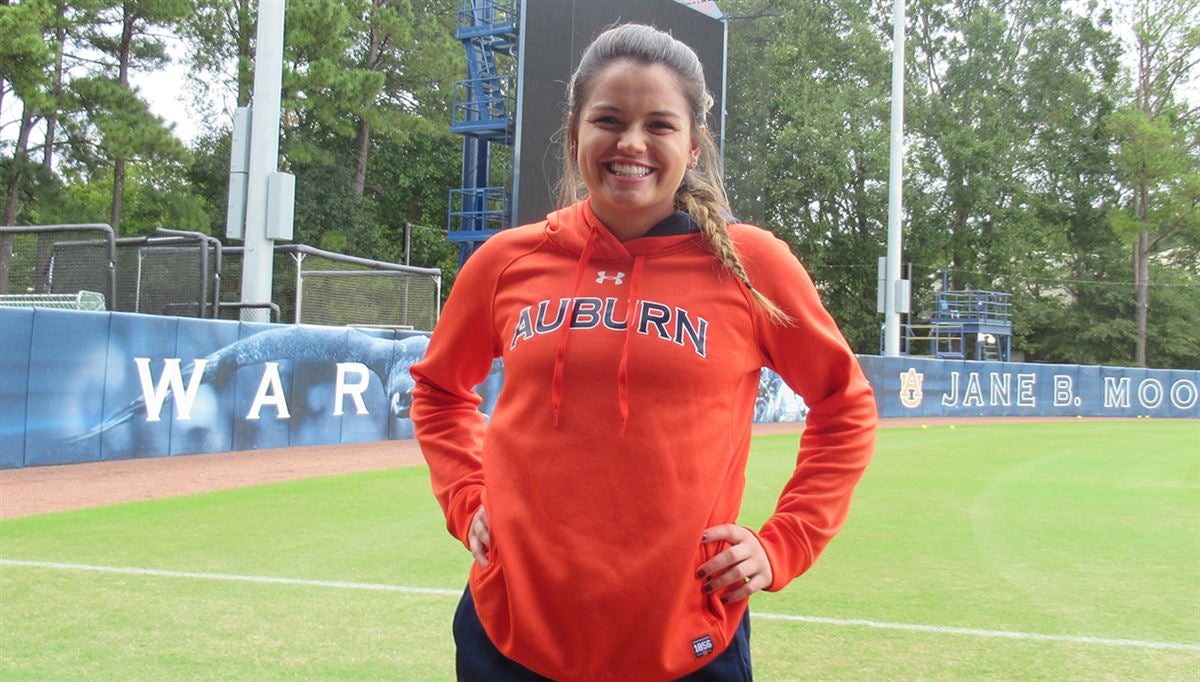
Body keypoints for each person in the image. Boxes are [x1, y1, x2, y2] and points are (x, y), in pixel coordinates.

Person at [410, 24, 876, 681]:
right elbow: (438, 391)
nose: (631, 143)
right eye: (609, 120)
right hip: (511, 635)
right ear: (574, 134)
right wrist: (466, 497)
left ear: (693, 145)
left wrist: (785, 543)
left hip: (686, 641)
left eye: (659, 124)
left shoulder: (752, 265)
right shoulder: (506, 261)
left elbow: (844, 405)